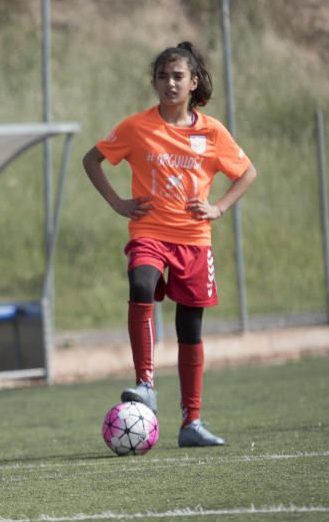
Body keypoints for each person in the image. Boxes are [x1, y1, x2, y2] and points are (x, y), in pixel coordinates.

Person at [82, 41, 256, 447]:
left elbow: (246, 172)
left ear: (194, 82)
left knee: (189, 329)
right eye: (162, 76)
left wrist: (219, 208)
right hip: (149, 233)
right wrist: (116, 201)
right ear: (154, 82)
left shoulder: (212, 131)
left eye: (178, 76)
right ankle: (145, 384)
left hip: (195, 242)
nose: (169, 83)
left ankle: (190, 423)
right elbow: (92, 159)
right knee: (141, 284)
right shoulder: (136, 127)